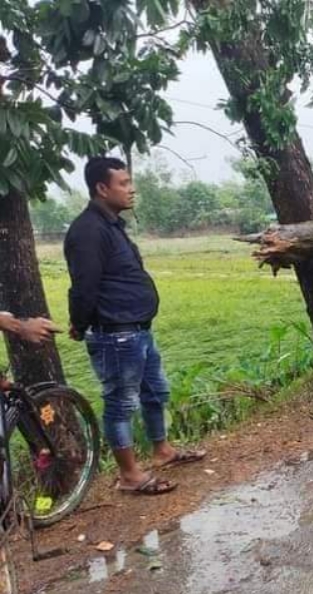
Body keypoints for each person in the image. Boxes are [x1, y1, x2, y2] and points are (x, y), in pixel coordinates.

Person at [65, 156, 205, 496]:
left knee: (155, 391)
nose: (131, 189)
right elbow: (84, 285)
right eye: (123, 183)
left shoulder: (112, 224)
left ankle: (162, 450)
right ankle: (129, 474)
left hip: (138, 329)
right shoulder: (87, 231)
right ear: (102, 188)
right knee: (121, 403)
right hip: (116, 334)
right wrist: (80, 323)